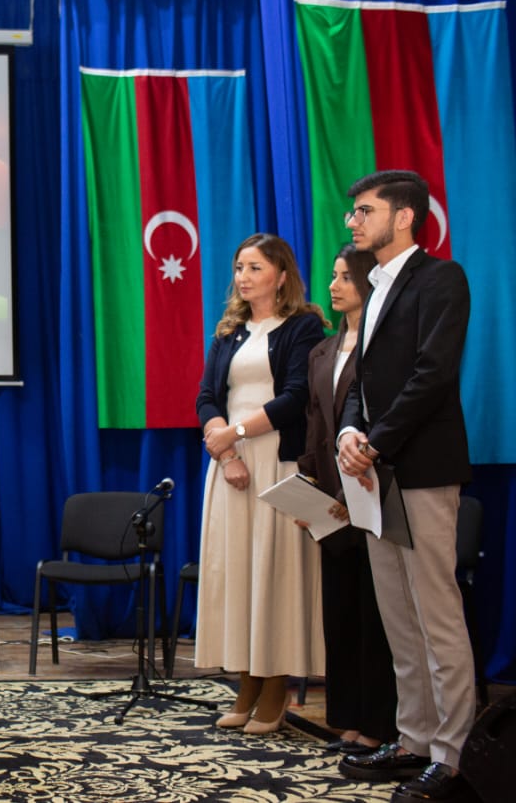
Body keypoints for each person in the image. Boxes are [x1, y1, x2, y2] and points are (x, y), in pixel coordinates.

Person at [335, 171, 475, 803]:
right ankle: (414, 738)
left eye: (365, 211)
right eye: (353, 212)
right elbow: (361, 382)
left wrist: (376, 442)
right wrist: (350, 431)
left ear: (404, 217)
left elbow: (433, 374)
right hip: (374, 474)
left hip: (420, 467)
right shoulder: (376, 286)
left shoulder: (441, 278)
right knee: (397, 614)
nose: (353, 221)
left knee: (436, 614)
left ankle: (451, 756)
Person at [195, 233, 326, 735]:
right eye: (239, 267)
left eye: (254, 267)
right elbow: (207, 397)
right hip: (231, 468)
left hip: (277, 462)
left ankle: (276, 687)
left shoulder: (302, 326)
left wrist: (238, 433)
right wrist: (227, 451)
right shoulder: (229, 331)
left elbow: (296, 396)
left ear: (281, 275)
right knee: (239, 575)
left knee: (274, 575)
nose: (242, 277)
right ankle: (246, 682)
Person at [297, 244, 397, 756]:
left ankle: (378, 724)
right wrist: (308, 487)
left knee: (374, 615)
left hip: (370, 492)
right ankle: (347, 721)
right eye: (333, 276)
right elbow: (315, 421)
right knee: (339, 611)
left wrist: (345, 490)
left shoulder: (383, 345)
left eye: (344, 277)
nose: (333, 286)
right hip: (329, 502)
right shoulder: (323, 350)